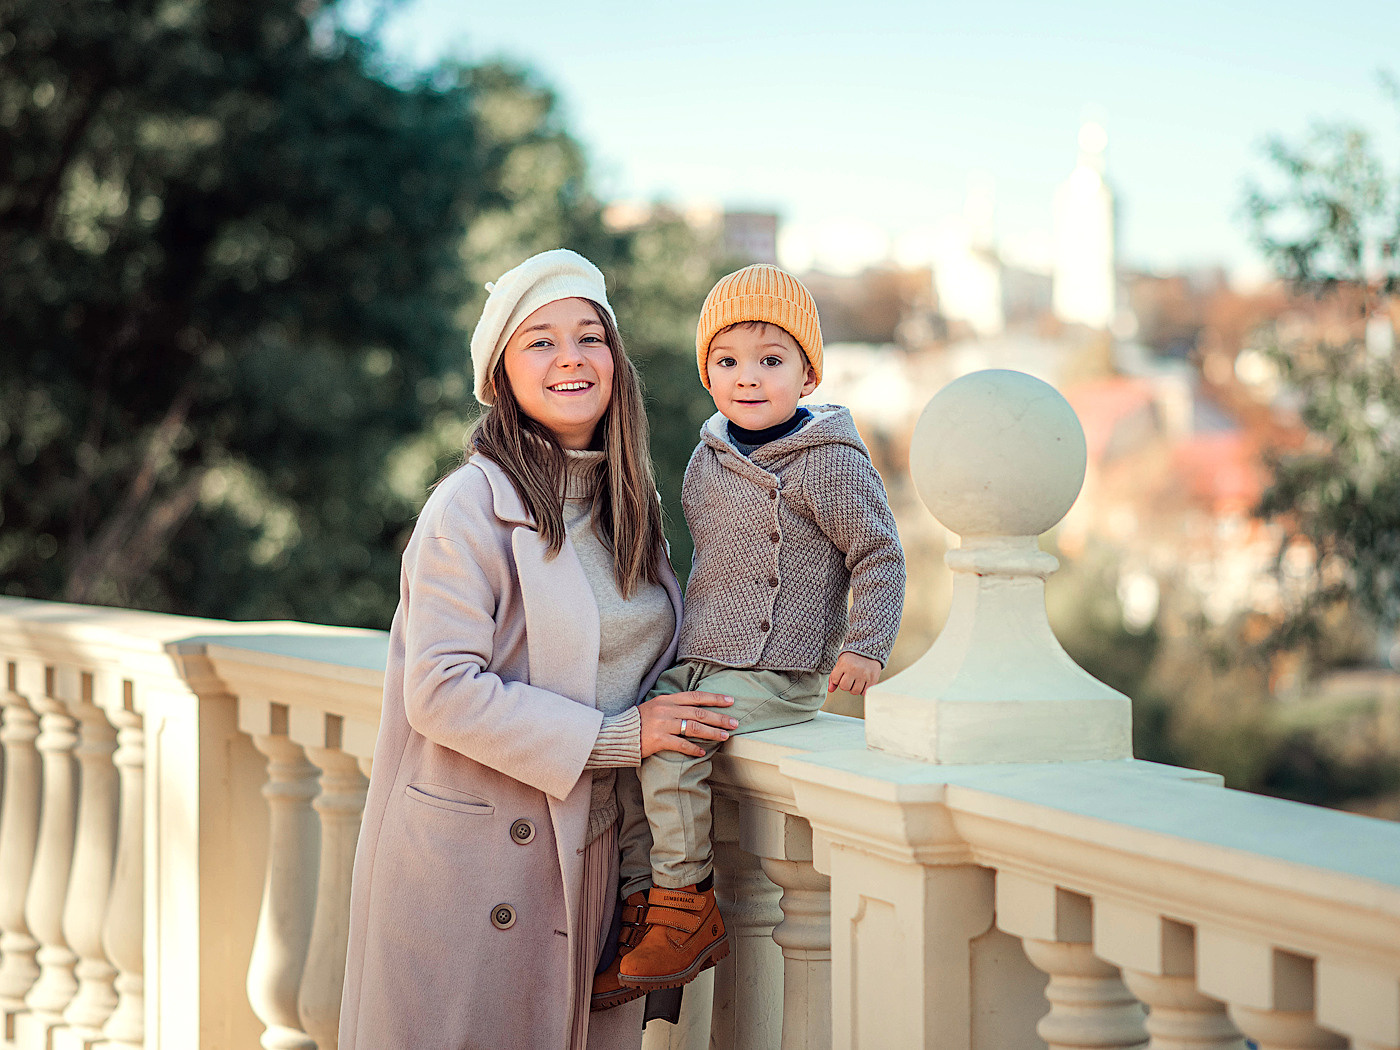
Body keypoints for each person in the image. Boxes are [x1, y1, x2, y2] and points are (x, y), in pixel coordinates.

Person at [338, 249, 739, 1050]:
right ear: (500, 376)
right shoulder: (467, 507)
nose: (571, 358)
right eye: (541, 342)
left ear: (615, 362)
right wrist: (620, 739)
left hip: (595, 865)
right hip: (478, 870)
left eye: (590, 337)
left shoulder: (631, 507)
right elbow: (441, 690)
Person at [605, 263, 906, 994]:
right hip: (705, 656)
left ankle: (686, 903)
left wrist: (866, 645)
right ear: (707, 373)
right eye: (728, 361)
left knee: (676, 748)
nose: (747, 377)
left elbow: (879, 554)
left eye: (771, 361)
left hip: (780, 669)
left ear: (808, 375)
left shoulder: (829, 462)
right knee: (631, 741)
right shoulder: (705, 459)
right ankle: (643, 906)